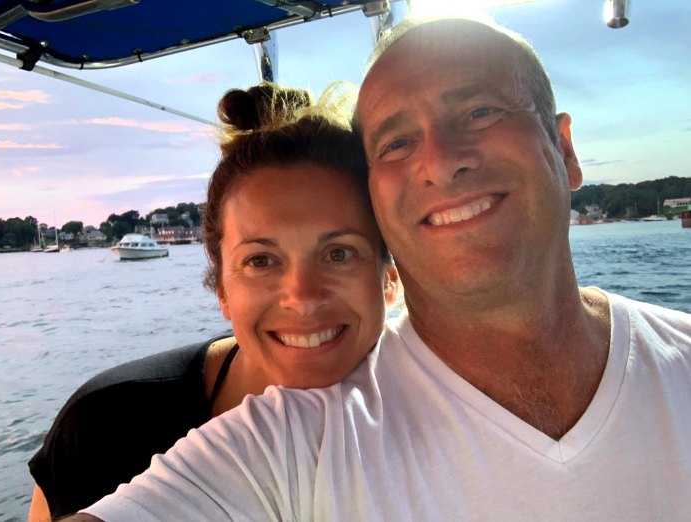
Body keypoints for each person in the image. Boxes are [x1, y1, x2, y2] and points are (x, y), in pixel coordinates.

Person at [71, 17, 691, 521]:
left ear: (564, 149)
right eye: (396, 142)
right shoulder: (294, 441)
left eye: (480, 111)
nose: (441, 162)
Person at [27, 82, 398, 520]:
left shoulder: (439, 406)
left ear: (389, 279)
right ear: (221, 289)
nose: (302, 297)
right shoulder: (105, 424)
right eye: (260, 260)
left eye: (339, 254)